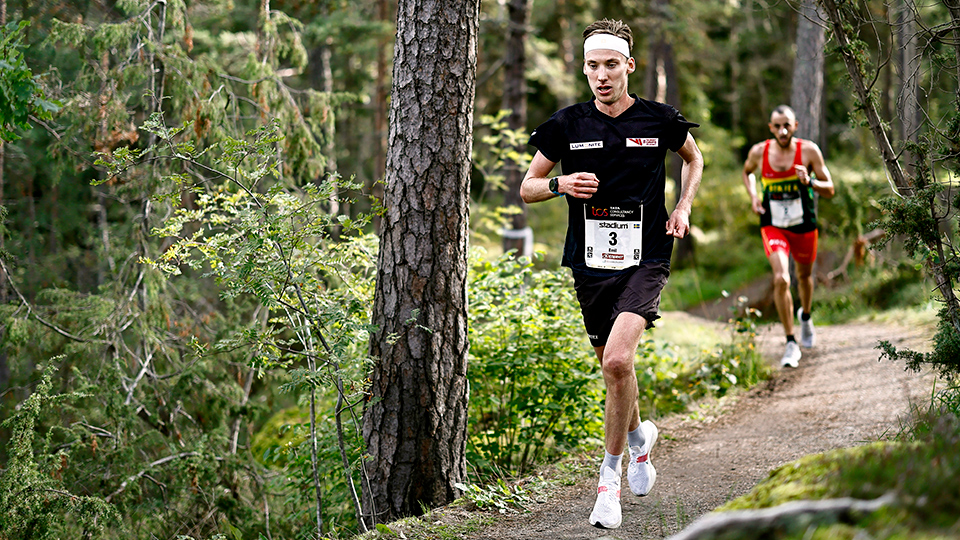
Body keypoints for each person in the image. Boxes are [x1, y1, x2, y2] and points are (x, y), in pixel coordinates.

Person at [519, 19, 703, 530]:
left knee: (619, 360)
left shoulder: (660, 119)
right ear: (584, 68)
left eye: (611, 65)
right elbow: (528, 187)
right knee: (611, 364)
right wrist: (560, 184)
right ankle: (641, 437)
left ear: (629, 66)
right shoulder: (567, 125)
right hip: (589, 262)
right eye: (592, 66)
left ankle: (608, 482)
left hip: (647, 256)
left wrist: (683, 207)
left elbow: (694, 158)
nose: (602, 75)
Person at [742, 105, 834, 368]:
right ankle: (791, 342)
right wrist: (753, 197)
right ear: (770, 128)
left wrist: (811, 182)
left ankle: (805, 316)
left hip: (803, 225)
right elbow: (747, 171)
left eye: (787, 125)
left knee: (804, 277)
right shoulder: (760, 152)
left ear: (795, 126)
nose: (782, 131)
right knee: (781, 278)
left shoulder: (809, 151)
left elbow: (830, 189)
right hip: (773, 225)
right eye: (777, 126)